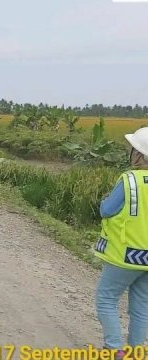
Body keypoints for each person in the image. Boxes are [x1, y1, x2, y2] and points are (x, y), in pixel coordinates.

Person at [96, 127, 148, 359]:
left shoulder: (130, 180)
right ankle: (137, 352)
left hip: (126, 254)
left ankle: (114, 349)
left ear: (140, 156)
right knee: (141, 306)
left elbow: (107, 210)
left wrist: (103, 202)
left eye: (133, 149)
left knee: (106, 298)